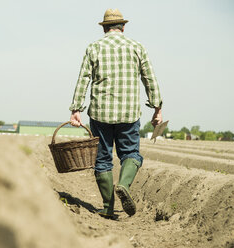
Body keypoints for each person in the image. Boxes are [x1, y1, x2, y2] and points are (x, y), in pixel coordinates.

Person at [69, 9, 163, 219]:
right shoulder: (137, 47)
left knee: (102, 160)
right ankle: (124, 184)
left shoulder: (94, 48)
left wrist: (76, 109)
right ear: (123, 27)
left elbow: (83, 79)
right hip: (129, 113)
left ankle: (107, 207)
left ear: (104, 27)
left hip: (100, 113)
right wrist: (157, 108)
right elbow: (150, 78)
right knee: (130, 153)